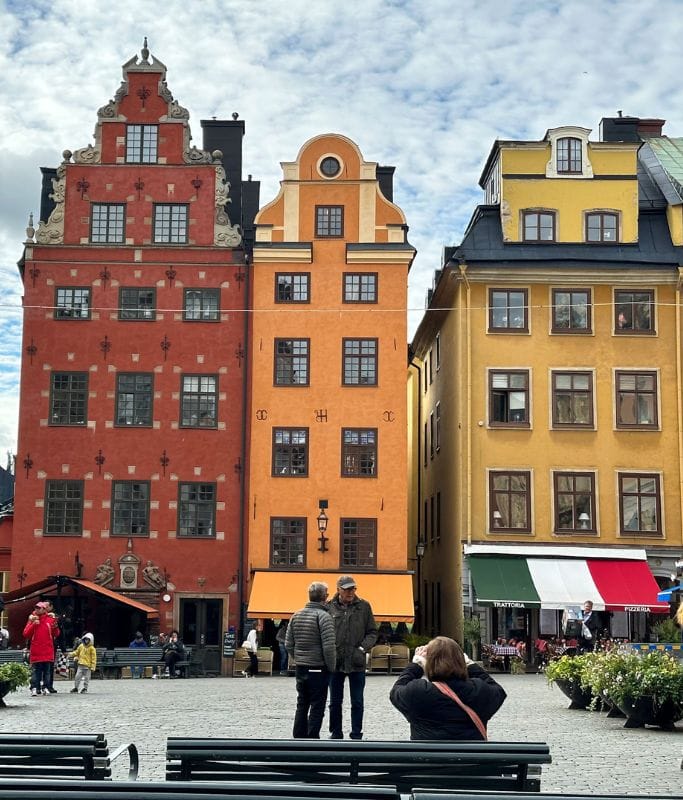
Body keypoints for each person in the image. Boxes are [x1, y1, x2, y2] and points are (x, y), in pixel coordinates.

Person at [390, 636, 506, 740]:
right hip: (472, 763)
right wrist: (470, 665)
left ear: (429, 664)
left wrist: (416, 665)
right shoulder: (478, 690)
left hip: (427, 762)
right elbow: (498, 691)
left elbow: (396, 690)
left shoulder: (418, 691)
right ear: (461, 662)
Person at [327, 575, 378, 740]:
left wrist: (362, 648)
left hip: (356, 661)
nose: (350, 592)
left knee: (357, 701)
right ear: (338, 590)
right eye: (347, 589)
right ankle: (336, 733)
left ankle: (356, 733)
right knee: (335, 702)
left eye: (353, 588)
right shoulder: (329, 607)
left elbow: (372, 632)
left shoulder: (364, 606)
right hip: (335, 661)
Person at [285, 581, 336, 738]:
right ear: (325, 597)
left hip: (301, 666)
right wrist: (331, 666)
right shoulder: (323, 616)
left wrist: (298, 657)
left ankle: (298, 735)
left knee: (302, 702)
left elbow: (288, 643)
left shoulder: (296, 615)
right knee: (317, 704)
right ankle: (312, 736)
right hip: (318, 667)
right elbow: (328, 646)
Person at [23, 601, 60, 696]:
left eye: (39, 608)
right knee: (35, 671)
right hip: (36, 650)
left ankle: (46, 687)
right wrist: (33, 624)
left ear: (44, 609)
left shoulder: (50, 619)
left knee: (47, 672)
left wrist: (55, 627)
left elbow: (56, 634)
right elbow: (26, 634)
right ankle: (34, 687)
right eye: (36, 607)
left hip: (47, 649)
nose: (36, 609)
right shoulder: (32, 619)